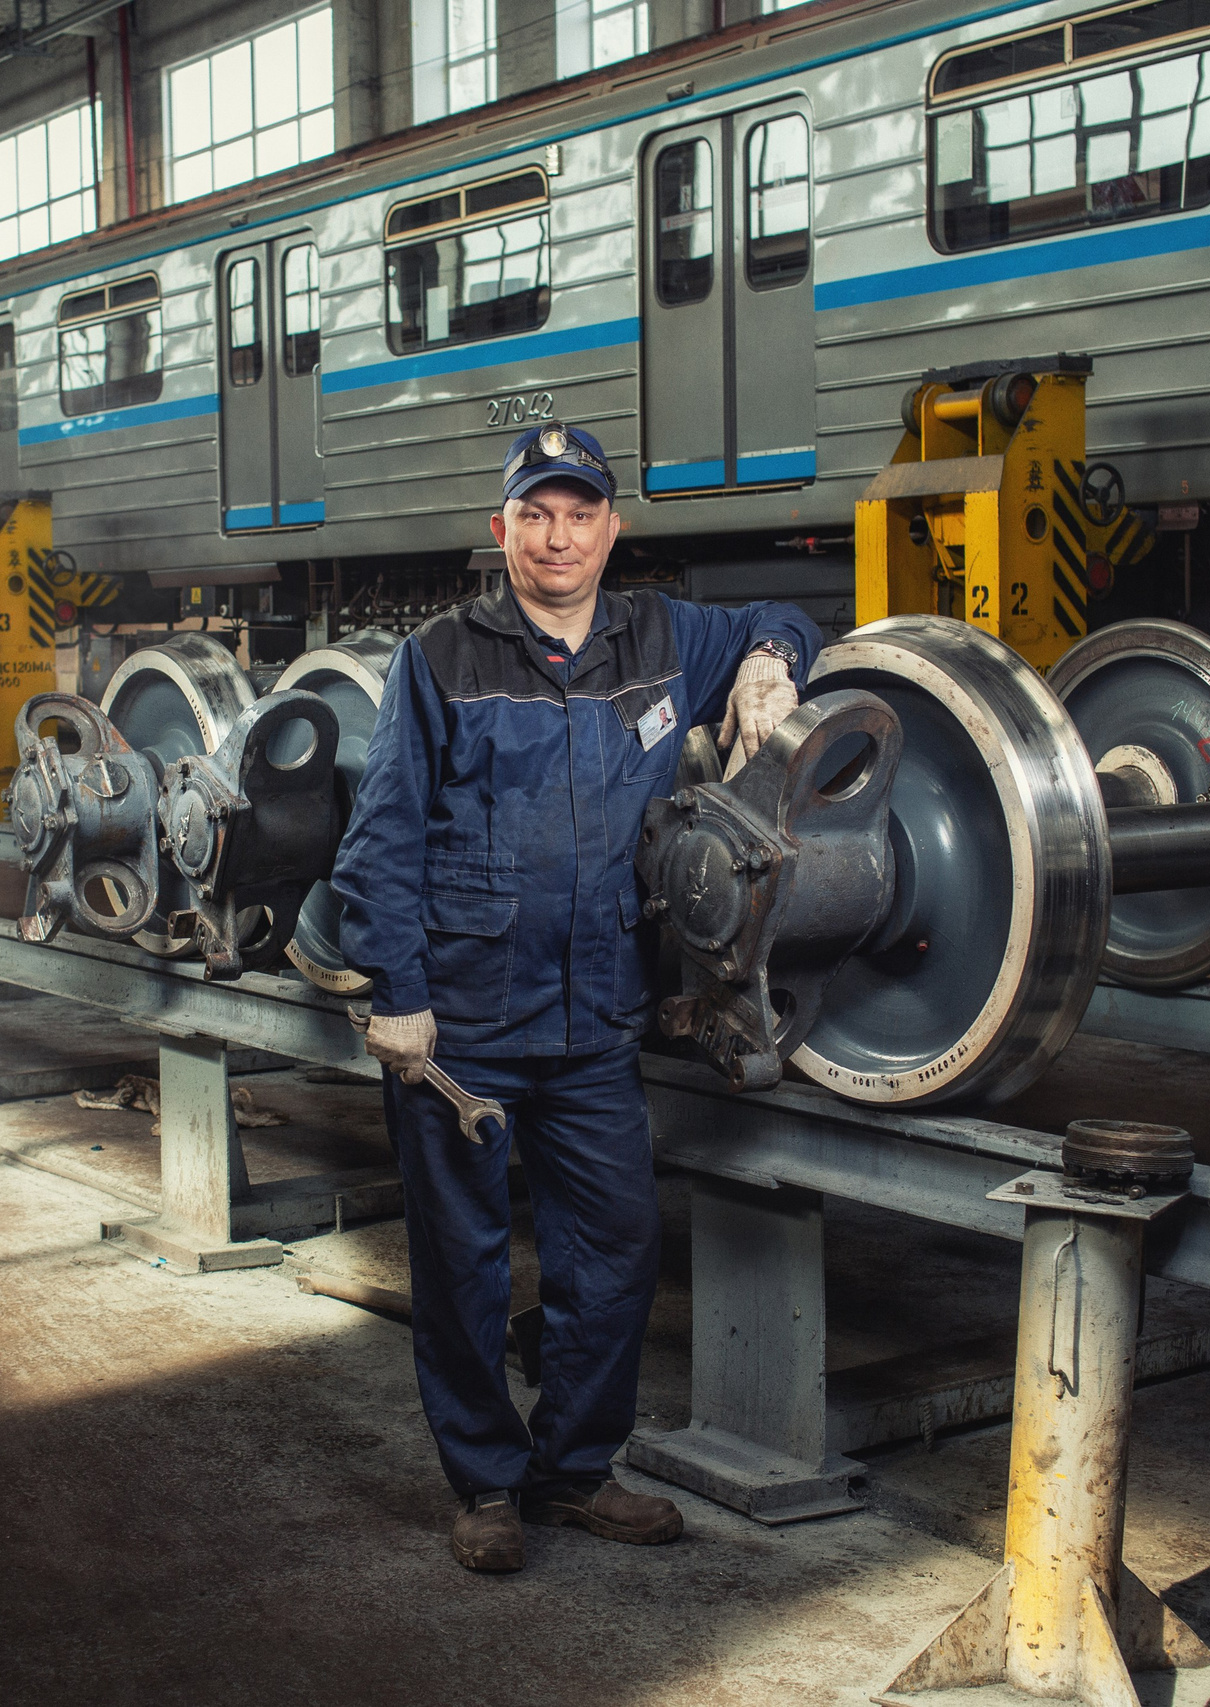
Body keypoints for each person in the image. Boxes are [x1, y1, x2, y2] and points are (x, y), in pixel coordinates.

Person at [330, 424, 820, 1572]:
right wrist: (396, 995)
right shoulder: (441, 658)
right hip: (462, 1021)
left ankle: (573, 1474)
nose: (558, 537)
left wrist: (768, 660)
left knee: (617, 1251)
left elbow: (789, 615)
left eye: (579, 513)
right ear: (499, 531)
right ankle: (487, 1488)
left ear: (613, 528)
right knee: (463, 1260)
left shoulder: (664, 636)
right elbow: (383, 838)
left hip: (597, 1015)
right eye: (534, 515)